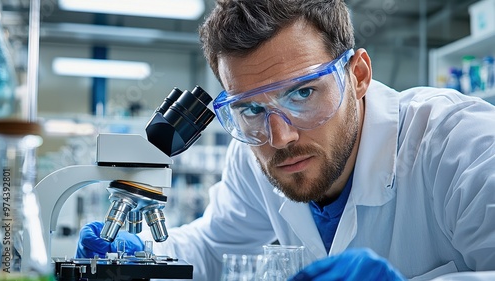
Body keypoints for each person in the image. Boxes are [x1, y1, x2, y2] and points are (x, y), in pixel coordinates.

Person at [76, 0, 495, 280]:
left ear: (359, 76)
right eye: (251, 108)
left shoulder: (461, 144)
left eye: (303, 93)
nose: (280, 137)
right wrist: (140, 257)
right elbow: (213, 247)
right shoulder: (252, 154)